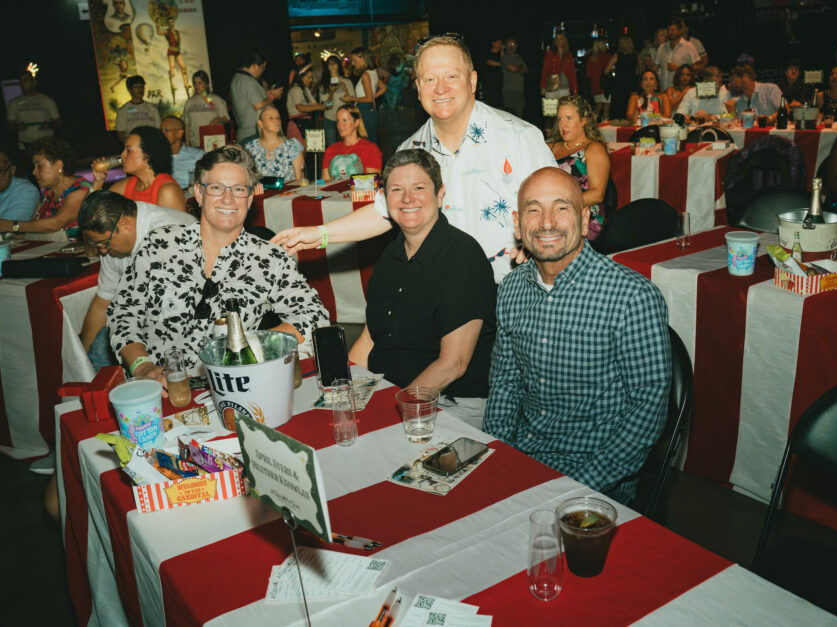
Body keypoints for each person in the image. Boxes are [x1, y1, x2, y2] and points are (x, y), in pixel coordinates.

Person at [272, 34, 556, 283]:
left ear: (472, 81)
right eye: (430, 79)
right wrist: (319, 234)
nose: (440, 88)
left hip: (513, 292)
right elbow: (383, 211)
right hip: (443, 297)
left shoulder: (519, 137)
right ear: (418, 88)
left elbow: (559, 209)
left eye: (451, 76)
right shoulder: (410, 152)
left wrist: (540, 244)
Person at [482, 167, 670, 503]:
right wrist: (497, 457)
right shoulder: (511, 288)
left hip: (595, 479)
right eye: (534, 209)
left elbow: (648, 404)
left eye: (562, 207)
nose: (547, 222)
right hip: (523, 461)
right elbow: (505, 384)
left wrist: (576, 486)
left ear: (585, 220)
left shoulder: (632, 296)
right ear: (517, 223)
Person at [107, 145, 329, 384]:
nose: (228, 198)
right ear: (199, 194)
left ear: (250, 198)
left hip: (235, 388)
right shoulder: (160, 243)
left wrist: (252, 345)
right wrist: (143, 367)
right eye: (216, 188)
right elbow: (123, 313)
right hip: (159, 390)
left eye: (239, 189)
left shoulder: (270, 258)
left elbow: (315, 315)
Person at [348, 149, 496, 427]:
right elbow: (370, 339)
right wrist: (343, 394)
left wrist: (391, 413)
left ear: (440, 195)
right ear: (384, 199)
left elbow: (453, 364)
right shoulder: (390, 257)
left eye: (419, 188)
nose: (407, 198)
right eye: (396, 189)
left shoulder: (462, 257)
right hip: (390, 392)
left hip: (448, 402)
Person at [78, 191, 195, 370]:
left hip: (193, 317)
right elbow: (102, 303)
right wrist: (82, 362)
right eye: (97, 245)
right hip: (147, 317)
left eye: (103, 243)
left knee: (105, 349)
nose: (102, 251)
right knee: (98, 349)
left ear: (124, 224)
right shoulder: (112, 243)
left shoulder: (166, 234)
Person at [0, 136, 91, 237]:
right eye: (34, 166)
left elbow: (56, 223)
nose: (34, 172)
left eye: (39, 166)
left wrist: (11, 226)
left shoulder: (81, 190)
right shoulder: (48, 194)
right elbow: (33, 227)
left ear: (59, 165)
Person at [546, 95, 610, 241]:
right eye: (560, 119)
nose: (563, 124)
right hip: (550, 212)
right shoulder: (550, 147)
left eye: (569, 118)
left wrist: (558, 206)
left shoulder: (593, 149)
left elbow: (597, 194)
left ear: (583, 121)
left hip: (583, 215)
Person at [98, 126, 186, 211]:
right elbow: (95, 211)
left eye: (128, 151)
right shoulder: (126, 185)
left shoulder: (168, 191)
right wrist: (98, 182)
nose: (122, 155)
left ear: (147, 155)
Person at [5, 68, 61, 174]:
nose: (23, 83)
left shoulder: (47, 100)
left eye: (26, 80)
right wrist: (18, 127)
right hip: (26, 146)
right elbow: (9, 124)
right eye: (21, 81)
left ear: (34, 82)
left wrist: (49, 125)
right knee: (32, 173)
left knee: (51, 172)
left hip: (46, 144)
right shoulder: (14, 103)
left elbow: (58, 122)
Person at [230, 50, 282, 142]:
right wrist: (273, 96)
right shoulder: (248, 81)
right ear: (254, 66)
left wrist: (268, 93)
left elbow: (250, 99)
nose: (263, 71)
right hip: (253, 133)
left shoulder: (237, 78)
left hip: (245, 132)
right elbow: (259, 106)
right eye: (262, 68)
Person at [244, 105, 305, 182]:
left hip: (288, 193)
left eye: (278, 118)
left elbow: (299, 180)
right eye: (271, 118)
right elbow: (247, 179)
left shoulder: (292, 145)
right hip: (261, 193)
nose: (276, 121)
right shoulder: (251, 148)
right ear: (260, 123)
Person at [321, 105, 382, 181]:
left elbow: (372, 183)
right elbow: (325, 181)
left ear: (356, 122)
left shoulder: (370, 148)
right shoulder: (331, 149)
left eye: (345, 120)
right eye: (338, 121)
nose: (340, 125)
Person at [344, 47, 386, 143]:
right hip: (371, 111)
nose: (353, 64)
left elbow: (368, 98)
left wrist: (352, 98)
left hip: (364, 110)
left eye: (354, 60)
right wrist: (373, 96)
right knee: (371, 141)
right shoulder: (373, 72)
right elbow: (383, 88)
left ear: (362, 59)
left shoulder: (365, 75)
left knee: (365, 142)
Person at [181, 70, 229, 149]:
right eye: (195, 83)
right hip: (196, 144)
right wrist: (187, 144)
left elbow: (226, 118)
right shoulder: (189, 102)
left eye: (200, 83)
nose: (197, 86)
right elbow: (187, 125)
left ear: (206, 84)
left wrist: (217, 119)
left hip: (213, 143)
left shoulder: (215, 100)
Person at [286, 64, 326, 145]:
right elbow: (300, 108)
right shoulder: (296, 89)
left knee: (312, 149)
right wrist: (320, 106)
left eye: (312, 77)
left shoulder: (305, 89)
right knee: (301, 152)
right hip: (298, 124)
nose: (311, 80)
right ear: (301, 77)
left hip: (306, 122)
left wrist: (331, 94)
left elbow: (315, 104)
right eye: (309, 77)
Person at [320, 54, 355, 146]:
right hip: (330, 118)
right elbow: (326, 105)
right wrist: (331, 92)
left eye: (334, 63)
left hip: (345, 119)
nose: (332, 66)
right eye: (329, 64)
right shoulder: (324, 84)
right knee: (332, 146)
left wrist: (344, 88)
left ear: (338, 65)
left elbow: (351, 102)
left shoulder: (346, 81)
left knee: (347, 145)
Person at [159, 116, 202, 190]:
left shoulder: (197, 156)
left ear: (179, 133)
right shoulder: (156, 156)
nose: (161, 134)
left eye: (166, 130)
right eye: (160, 130)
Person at [115, 75, 160, 142]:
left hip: (151, 143)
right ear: (129, 90)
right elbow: (121, 134)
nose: (140, 89)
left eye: (142, 86)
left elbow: (159, 129)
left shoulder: (152, 108)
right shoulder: (123, 110)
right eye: (136, 87)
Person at [604, 35, 640, 120]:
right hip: (632, 84)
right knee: (630, 108)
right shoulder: (636, 55)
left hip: (619, 85)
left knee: (618, 109)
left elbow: (606, 71)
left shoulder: (617, 55)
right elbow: (639, 72)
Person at [654, 21, 699, 86]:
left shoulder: (689, 46)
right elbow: (655, 68)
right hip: (664, 91)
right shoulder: (661, 47)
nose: (670, 32)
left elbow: (697, 68)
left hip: (681, 91)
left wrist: (678, 68)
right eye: (668, 30)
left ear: (680, 31)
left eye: (672, 30)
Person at [541, 32, 578, 104]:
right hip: (552, 86)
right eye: (557, 39)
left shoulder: (568, 55)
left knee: (563, 111)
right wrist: (543, 87)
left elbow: (572, 73)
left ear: (564, 41)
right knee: (551, 111)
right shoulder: (549, 53)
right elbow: (545, 71)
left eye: (561, 39)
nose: (558, 41)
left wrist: (575, 88)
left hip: (565, 87)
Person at [584, 39, 611, 121]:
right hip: (605, 85)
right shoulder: (607, 56)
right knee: (606, 107)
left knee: (598, 107)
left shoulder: (591, 58)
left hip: (595, 85)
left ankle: (592, 123)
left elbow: (588, 74)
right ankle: (605, 126)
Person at [501, 38, 528, 119]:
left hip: (520, 91)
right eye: (508, 44)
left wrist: (519, 68)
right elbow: (513, 68)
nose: (511, 46)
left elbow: (526, 70)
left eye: (513, 44)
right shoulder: (505, 57)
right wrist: (520, 68)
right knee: (509, 117)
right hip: (509, 91)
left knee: (519, 117)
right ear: (506, 46)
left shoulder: (519, 57)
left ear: (516, 46)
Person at [481, 38, 504, 108]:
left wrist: (502, 50)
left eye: (501, 43)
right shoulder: (487, 52)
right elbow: (490, 62)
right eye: (499, 42)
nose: (500, 44)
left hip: (499, 81)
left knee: (499, 101)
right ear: (493, 43)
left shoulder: (502, 54)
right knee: (490, 100)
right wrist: (505, 65)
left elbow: (503, 61)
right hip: (489, 80)